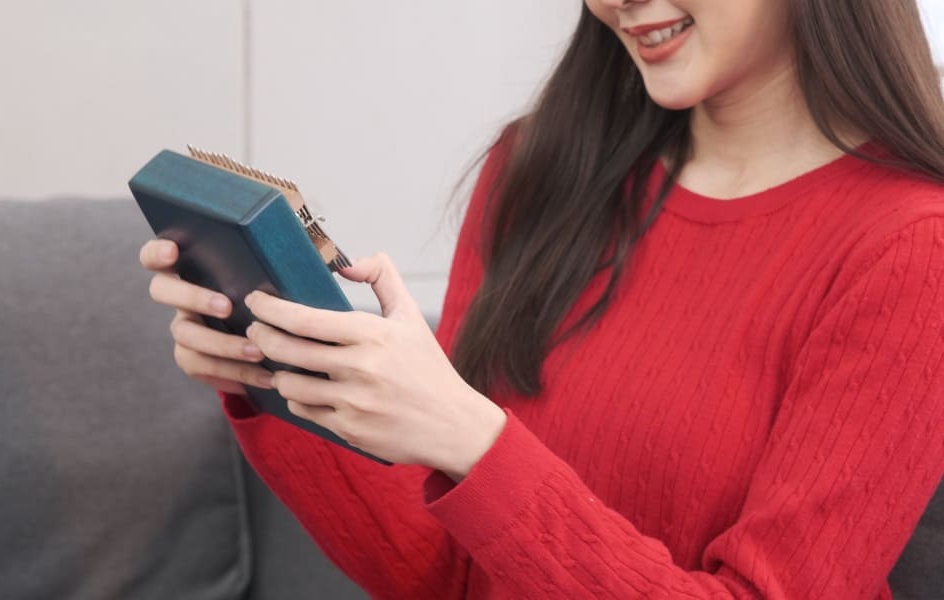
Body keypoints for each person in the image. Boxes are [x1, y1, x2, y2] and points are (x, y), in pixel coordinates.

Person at [139, 0, 944, 597]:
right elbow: (443, 575)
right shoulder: (540, 169)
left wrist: (478, 444)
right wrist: (268, 375)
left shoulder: (910, 248)